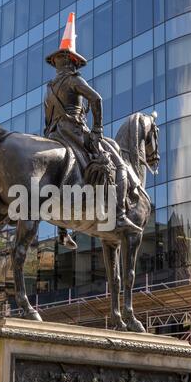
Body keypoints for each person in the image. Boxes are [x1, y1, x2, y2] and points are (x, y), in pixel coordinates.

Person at [44, 13, 142, 250]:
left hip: (54, 133)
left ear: (58, 61)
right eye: (72, 62)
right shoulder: (73, 81)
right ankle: (118, 214)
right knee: (117, 162)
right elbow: (96, 100)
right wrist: (97, 130)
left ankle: (62, 230)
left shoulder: (49, 88)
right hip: (76, 131)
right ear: (71, 62)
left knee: (58, 177)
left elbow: (47, 119)